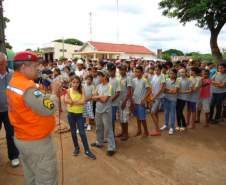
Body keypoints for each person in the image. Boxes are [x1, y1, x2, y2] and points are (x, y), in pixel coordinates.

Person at [6, 51, 61, 185]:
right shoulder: (28, 87)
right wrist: (54, 92)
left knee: (31, 176)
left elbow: (32, 104)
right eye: (35, 65)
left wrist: (44, 97)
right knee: (46, 178)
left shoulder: (14, 81)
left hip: (22, 136)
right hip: (36, 142)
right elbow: (48, 108)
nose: (39, 68)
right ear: (24, 67)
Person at [64, 76, 96, 160]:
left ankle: (87, 150)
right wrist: (73, 102)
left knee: (82, 132)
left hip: (79, 115)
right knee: (73, 132)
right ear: (71, 82)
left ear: (79, 83)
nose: (75, 84)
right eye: (73, 82)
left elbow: (83, 102)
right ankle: (76, 148)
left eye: (77, 82)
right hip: (70, 114)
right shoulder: (68, 90)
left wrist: (72, 102)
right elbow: (66, 100)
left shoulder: (82, 91)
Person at [0, 52, 20, 167]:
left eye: (2, 63)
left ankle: (13, 156)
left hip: (9, 110)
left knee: (11, 133)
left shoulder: (12, 74)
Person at [91, 69, 116, 156]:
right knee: (98, 127)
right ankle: (99, 142)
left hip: (106, 111)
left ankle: (111, 147)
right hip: (98, 110)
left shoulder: (109, 86)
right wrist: (99, 97)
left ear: (105, 77)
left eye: (100, 75)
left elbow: (104, 100)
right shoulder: (98, 86)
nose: (98, 77)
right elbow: (93, 95)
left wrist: (97, 97)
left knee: (108, 129)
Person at [131, 65, 151, 137]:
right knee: (137, 117)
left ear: (142, 72)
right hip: (135, 101)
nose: (137, 73)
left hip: (141, 102)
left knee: (142, 118)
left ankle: (146, 131)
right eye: (136, 72)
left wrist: (144, 99)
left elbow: (149, 90)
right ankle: (139, 130)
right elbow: (133, 90)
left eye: (138, 72)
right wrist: (132, 99)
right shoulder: (133, 80)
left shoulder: (144, 80)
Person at [116, 64, 132, 141]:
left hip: (125, 100)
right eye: (120, 70)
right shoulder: (119, 78)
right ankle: (122, 132)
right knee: (121, 117)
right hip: (119, 100)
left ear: (126, 70)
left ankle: (126, 133)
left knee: (125, 118)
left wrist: (125, 102)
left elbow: (129, 91)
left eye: (123, 70)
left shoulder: (128, 78)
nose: (121, 71)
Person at [161, 69, 178, 135]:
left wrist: (168, 90)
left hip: (173, 100)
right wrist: (170, 91)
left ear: (175, 74)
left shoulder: (177, 81)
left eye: (173, 73)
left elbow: (175, 91)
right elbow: (163, 90)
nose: (171, 75)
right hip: (166, 99)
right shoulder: (166, 80)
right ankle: (165, 125)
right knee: (166, 113)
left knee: (172, 114)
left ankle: (172, 127)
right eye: (170, 73)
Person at [150, 64, 166, 136]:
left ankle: (157, 130)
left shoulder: (162, 76)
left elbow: (162, 88)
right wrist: (152, 96)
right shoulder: (154, 76)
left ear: (160, 70)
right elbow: (152, 86)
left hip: (158, 98)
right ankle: (157, 128)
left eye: (158, 70)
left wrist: (155, 96)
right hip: (154, 97)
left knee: (152, 113)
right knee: (155, 113)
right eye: (155, 70)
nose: (156, 71)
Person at [107, 63, 121, 134]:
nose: (110, 72)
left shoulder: (117, 80)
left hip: (113, 104)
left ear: (115, 70)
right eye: (109, 71)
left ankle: (112, 135)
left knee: (112, 120)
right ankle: (109, 135)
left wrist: (110, 100)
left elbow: (118, 93)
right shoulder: (108, 79)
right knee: (108, 120)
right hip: (107, 103)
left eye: (112, 71)